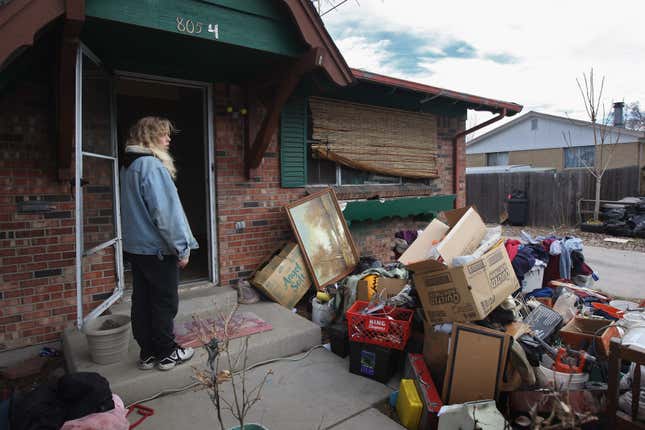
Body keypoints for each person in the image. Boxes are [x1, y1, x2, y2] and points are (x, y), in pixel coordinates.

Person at [120, 116, 198, 371]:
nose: (168, 139)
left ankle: (148, 353)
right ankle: (166, 354)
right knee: (164, 301)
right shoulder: (151, 166)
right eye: (164, 134)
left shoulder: (128, 166)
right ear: (150, 137)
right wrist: (182, 247)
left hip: (137, 249)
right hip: (157, 250)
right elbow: (166, 214)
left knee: (142, 301)